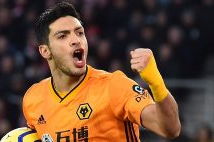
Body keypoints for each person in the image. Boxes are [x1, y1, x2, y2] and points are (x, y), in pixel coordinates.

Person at [22, 2, 181, 141]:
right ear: (45, 51)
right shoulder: (33, 99)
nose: (76, 40)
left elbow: (170, 128)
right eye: (63, 36)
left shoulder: (113, 86)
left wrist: (156, 82)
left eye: (80, 33)